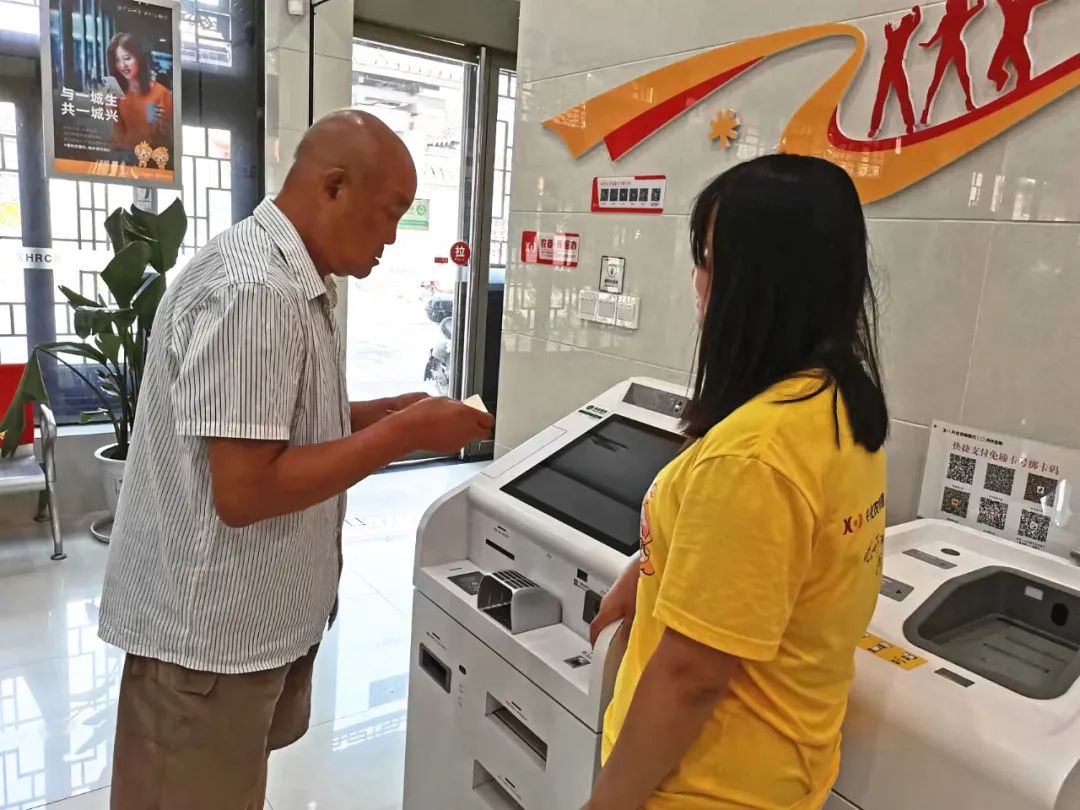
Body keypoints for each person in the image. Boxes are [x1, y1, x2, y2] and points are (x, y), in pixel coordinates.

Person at [98, 110, 494, 809]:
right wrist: (404, 435)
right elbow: (245, 490)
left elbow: (268, 424)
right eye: (390, 213)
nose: (393, 237)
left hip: (245, 630)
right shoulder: (257, 290)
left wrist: (385, 411)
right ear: (334, 186)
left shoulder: (289, 277)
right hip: (204, 645)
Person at [586, 154, 889, 810]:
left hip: (698, 788)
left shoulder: (754, 455)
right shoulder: (836, 404)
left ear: (757, 284)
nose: (697, 281)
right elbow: (764, 559)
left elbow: (690, 677)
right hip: (781, 772)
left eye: (707, 259)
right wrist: (651, 568)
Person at [919, 0, 985, 125]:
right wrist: (928, 43)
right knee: (939, 80)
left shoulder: (957, 17)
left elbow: (979, 6)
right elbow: (938, 34)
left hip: (953, 49)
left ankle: (969, 101)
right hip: (949, 49)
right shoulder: (949, 18)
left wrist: (929, 43)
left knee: (962, 76)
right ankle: (926, 111)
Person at [107, 32, 174, 151]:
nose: (122, 65)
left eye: (127, 58)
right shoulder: (116, 93)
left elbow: (168, 138)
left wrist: (163, 126)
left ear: (139, 58)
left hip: (153, 157)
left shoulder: (161, 93)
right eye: (117, 60)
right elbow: (117, 133)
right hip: (125, 156)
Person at [868, 6, 922, 139]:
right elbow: (915, 22)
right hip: (890, 66)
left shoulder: (903, 32)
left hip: (893, 66)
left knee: (897, 96)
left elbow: (916, 22)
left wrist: (917, 12)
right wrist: (917, 13)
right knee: (888, 96)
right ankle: (875, 127)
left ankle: (909, 125)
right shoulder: (899, 33)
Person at [987, 0, 1059, 92]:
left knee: (1022, 68)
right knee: (1023, 68)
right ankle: (1020, 89)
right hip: (1012, 40)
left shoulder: (1014, 4)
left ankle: (1019, 88)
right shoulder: (1019, 4)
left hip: (1011, 39)